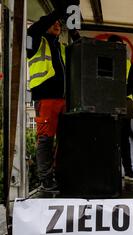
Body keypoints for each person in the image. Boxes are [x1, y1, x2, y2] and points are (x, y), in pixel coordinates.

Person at [27, 6, 80, 191]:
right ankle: (45, 180)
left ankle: (60, 176)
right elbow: (33, 29)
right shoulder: (34, 41)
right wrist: (58, 12)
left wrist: (75, 33)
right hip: (46, 97)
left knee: (65, 140)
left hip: (64, 99)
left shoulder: (61, 47)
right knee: (45, 139)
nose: (57, 25)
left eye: (59, 23)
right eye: (54, 23)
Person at [107, 35, 133, 180]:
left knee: (124, 139)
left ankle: (128, 170)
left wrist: (119, 91)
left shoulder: (127, 63)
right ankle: (112, 171)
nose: (120, 49)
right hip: (108, 106)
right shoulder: (103, 61)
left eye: (121, 46)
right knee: (110, 139)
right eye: (117, 46)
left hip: (124, 104)